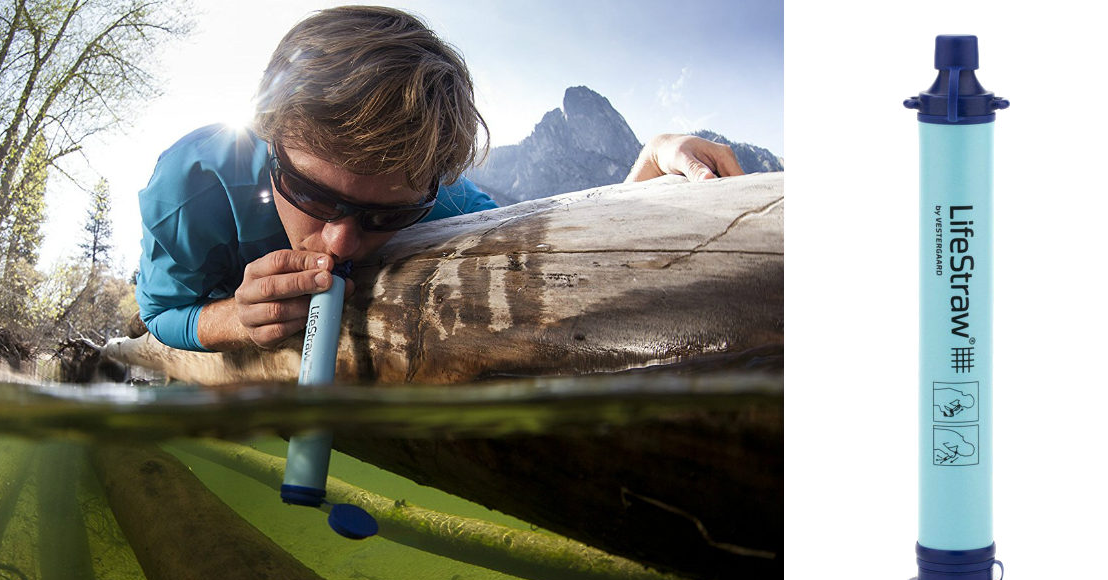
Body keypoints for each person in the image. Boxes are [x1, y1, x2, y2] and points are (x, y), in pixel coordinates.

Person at [136, 5, 746, 352]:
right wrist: (232, 321)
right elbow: (161, 310)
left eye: (385, 217)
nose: (343, 243)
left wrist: (648, 166)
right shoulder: (189, 187)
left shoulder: (438, 196)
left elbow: (545, 232)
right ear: (270, 136)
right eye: (314, 196)